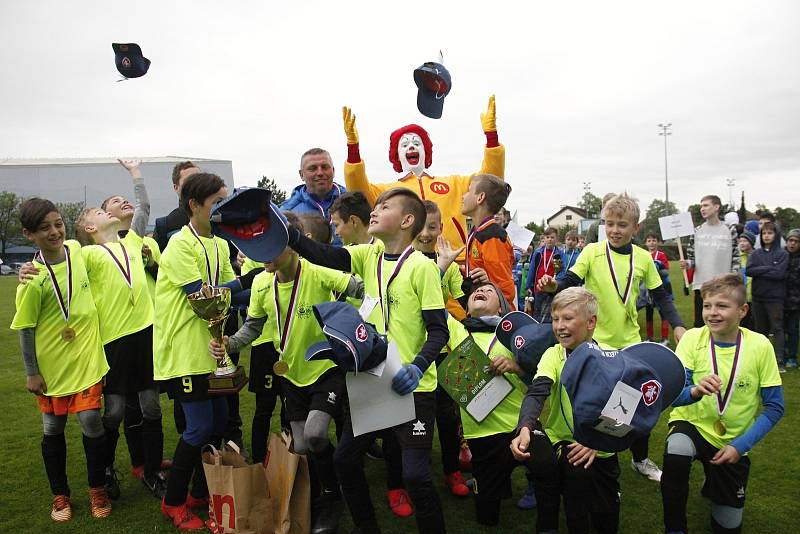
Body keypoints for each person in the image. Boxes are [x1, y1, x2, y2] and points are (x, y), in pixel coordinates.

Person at [284, 187, 449, 533]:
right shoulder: (366, 256)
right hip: (372, 381)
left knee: (416, 475)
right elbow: (323, 254)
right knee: (345, 460)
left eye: (384, 207)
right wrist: (289, 235)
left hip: (413, 387)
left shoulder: (422, 267)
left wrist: (417, 367)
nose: (374, 211)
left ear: (406, 221)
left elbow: (439, 332)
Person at [210, 211, 363, 534]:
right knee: (305, 445)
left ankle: (334, 493)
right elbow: (252, 328)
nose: (261, 257)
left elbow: (360, 288)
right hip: (290, 375)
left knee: (317, 433)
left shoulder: (319, 273)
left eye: (270, 248)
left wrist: (359, 320)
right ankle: (331, 488)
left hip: (325, 370)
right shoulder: (263, 283)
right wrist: (229, 344)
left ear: (293, 247)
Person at [537, 193, 687, 482]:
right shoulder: (592, 251)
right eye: (609, 224)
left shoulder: (643, 257)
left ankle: (639, 459)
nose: (615, 230)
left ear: (636, 227)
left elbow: (661, 297)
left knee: (637, 402)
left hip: (630, 342)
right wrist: (554, 285)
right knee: (597, 401)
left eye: (622, 224)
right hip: (596, 345)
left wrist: (678, 324)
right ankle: (597, 451)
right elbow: (569, 280)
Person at [154, 173, 251, 530]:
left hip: (214, 349)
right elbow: (203, 297)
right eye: (217, 203)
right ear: (194, 205)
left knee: (221, 422)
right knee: (197, 428)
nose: (223, 209)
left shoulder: (220, 244)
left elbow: (233, 295)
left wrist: (264, 285)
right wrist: (244, 282)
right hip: (183, 352)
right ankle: (173, 502)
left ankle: (198, 493)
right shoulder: (179, 245)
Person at [11, 198, 111, 521]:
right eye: (45, 228)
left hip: (86, 358)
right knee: (52, 426)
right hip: (51, 367)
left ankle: (98, 488)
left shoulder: (77, 251)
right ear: (29, 234)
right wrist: (31, 372)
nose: (55, 232)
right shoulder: (32, 278)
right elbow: (25, 330)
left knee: (91, 421)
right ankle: (60, 496)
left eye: (58, 224)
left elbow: (104, 238)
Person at [661, 274, 784, 534]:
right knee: (676, 454)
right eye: (707, 306)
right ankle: (674, 528)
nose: (712, 313)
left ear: (743, 310)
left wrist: (740, 446)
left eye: (722, 306)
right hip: (692, 424)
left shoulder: (760, 345)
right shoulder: (693, 339)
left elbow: (774, 407)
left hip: (733, 441)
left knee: (728, 527)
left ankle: (714, 482)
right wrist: (693, 391)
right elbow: (674, 394)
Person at [510, 288, 620, 533]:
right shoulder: (553, 353)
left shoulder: (612, 356)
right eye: (556, 318)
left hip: (600, 449)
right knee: (569, 485)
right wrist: (525, 427)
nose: (559, 326)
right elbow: (538, 391)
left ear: (591, 322)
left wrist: (597, 441)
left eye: (568, 318)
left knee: (604, 517)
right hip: (563, 440)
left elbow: (625, 409)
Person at [341, 96, 504, 259]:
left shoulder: (454, 183)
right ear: (397, 156)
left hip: (454, 261)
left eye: (417, 143)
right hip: (404, 264)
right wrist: (353, 149)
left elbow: (489, 184)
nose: (411, 146)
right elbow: (358, 191)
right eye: (404, 145)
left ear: (426, 151)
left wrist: (492, 138)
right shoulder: (386, 191)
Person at [443, 282, 526, 525]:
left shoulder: (515, 335)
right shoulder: (459, 332)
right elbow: (433, 303)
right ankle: (495, 484)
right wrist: (441, 267)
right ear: (466, 309)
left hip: (520, 426)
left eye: (490, 291)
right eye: (476, 292)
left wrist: (516, 366)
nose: (481, 291)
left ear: (501, 307)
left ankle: (535, 485)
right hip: (481, 432)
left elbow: (538, 376)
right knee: (487, 517)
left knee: (546, 465)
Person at [415, 200, 470, 498]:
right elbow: (414, 300)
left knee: (448, 417)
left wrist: (477, 291)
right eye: (422, 226)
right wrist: (440, 268)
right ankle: (413, 474)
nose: (426, 233)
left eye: (433, 227)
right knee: (415, 419)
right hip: (414, 353)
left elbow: (461, 299)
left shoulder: (445, 258)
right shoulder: (403, 259)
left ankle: (452, 469)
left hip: (445, 351)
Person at [680, 195, 740, 327]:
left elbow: (736, 257)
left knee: (722, 322)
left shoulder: (730, 230)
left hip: (723, 286)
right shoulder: (696, 231)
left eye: (706, 205)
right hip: (701, 285)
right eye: (701, 206)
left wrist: (733, 279)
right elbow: (692, 259)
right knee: (701, 324)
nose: (702, 209)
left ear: (716, 207)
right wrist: (687, 264)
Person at [461, 173, 517, 308]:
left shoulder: (492, 237)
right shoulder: (478, 232)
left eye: (469, 191)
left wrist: (489, 282)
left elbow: (505, 290)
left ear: (480, 198)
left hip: (493, 318)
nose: (463, 196)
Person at [281, 148, 347, 246]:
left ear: (333, 171)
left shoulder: (352, 203)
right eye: (313, 168)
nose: (320, 173)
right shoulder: (286, 213)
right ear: (301, 174)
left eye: (325, 167)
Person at [746, 221, 789, 372]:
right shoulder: (755, 254)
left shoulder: (783, 254)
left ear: (776, 235)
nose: (766, 236)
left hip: (775, 299)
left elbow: (779, 274)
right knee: (760, 330)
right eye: (764, 233)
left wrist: (761, 270)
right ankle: (760, 359)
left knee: (777, 328)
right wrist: (769, 268)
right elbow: (749, 271)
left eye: (770, 233)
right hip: (758, 297)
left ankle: (779, 360)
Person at [525, 227, 562, 322]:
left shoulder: (560, 254)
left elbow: (562, 271)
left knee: (551, 312)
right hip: (538, 288)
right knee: (537, 312)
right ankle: (537, 330)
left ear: (557, 239)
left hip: (551, 288)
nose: (550, 239)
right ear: (544, 238)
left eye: (552, 237)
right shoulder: (538, 252)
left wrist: (558, 284)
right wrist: (528, 285)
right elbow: (532, 269)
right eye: (547, 237)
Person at [644, 232, 672, 344]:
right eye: (649, 240)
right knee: (648, 314)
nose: (652, 243)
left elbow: (666, 271)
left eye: (654, 240)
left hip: (660, 288)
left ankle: (665, 338)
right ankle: (649, 337)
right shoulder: (643, 255)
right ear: (646, 243)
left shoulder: (661, 255)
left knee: (663, 313)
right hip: (647, 290)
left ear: (658, 242)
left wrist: (657, 268)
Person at [784, 229, 800, 368]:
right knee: (781, 329)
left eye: (796, 241)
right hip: (780, 300)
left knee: (793, 330)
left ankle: (792, 356)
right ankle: (782, 354)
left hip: (796, 302)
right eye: (791, 240)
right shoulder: (782, 256)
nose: (792, 243)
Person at [737, 230, 756, 330]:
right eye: (740, 241)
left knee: (753, 323)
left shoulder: (757, 256)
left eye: (745, 241)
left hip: (754, 295)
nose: (742, 243)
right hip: (742, 295)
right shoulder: (738, 258)